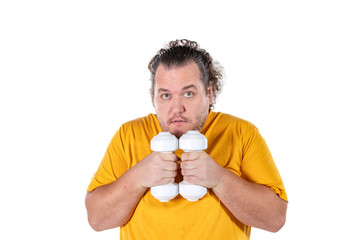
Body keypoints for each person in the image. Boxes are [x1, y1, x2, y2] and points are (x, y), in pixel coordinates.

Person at [85, 39, 288, 239]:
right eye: (165, 96)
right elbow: (97, 218)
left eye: (188, 93)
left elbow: (275, 218)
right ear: (153, 97)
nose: (177, 108)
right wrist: (139, 177)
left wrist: (219, 179)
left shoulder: (241, 133)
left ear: (208, 93)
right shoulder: (128, 135)